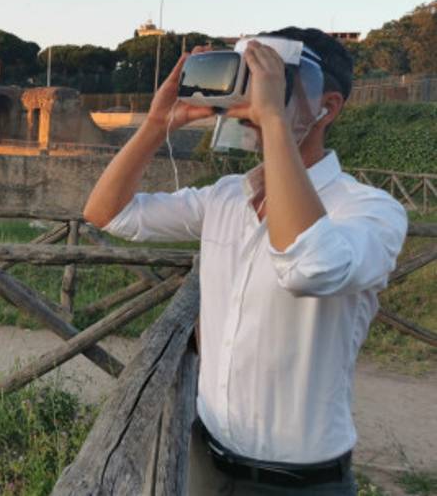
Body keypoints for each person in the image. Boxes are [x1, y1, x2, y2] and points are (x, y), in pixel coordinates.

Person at [83, 27, 407, 495]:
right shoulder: (226, 197)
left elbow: (309, 266)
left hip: (303, 485)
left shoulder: (370, 210)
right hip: (206, 462)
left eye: (273, 82)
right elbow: (108, 213)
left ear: (328, 107)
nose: (254, 101)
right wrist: (157, 124)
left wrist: (274, 120)